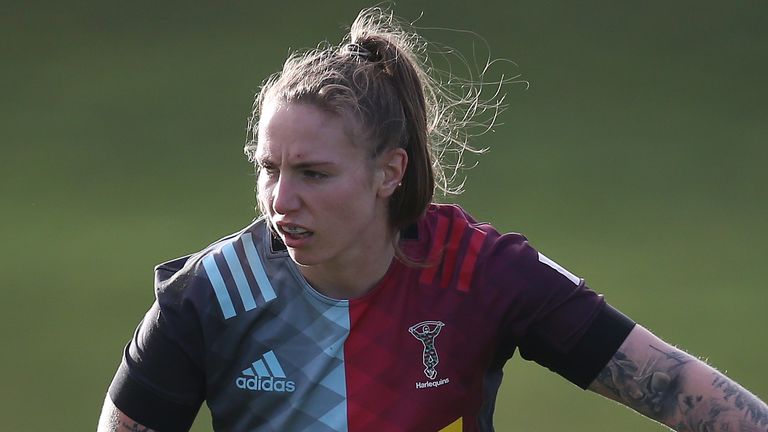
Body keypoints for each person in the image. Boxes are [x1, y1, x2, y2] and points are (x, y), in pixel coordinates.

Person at [98, 7, 768, 432]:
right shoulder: (211, 296)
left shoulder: (482, 273)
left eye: (314, 174)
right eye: (269, 169)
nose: (280, 200)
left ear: (390, 172)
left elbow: (675, 385)